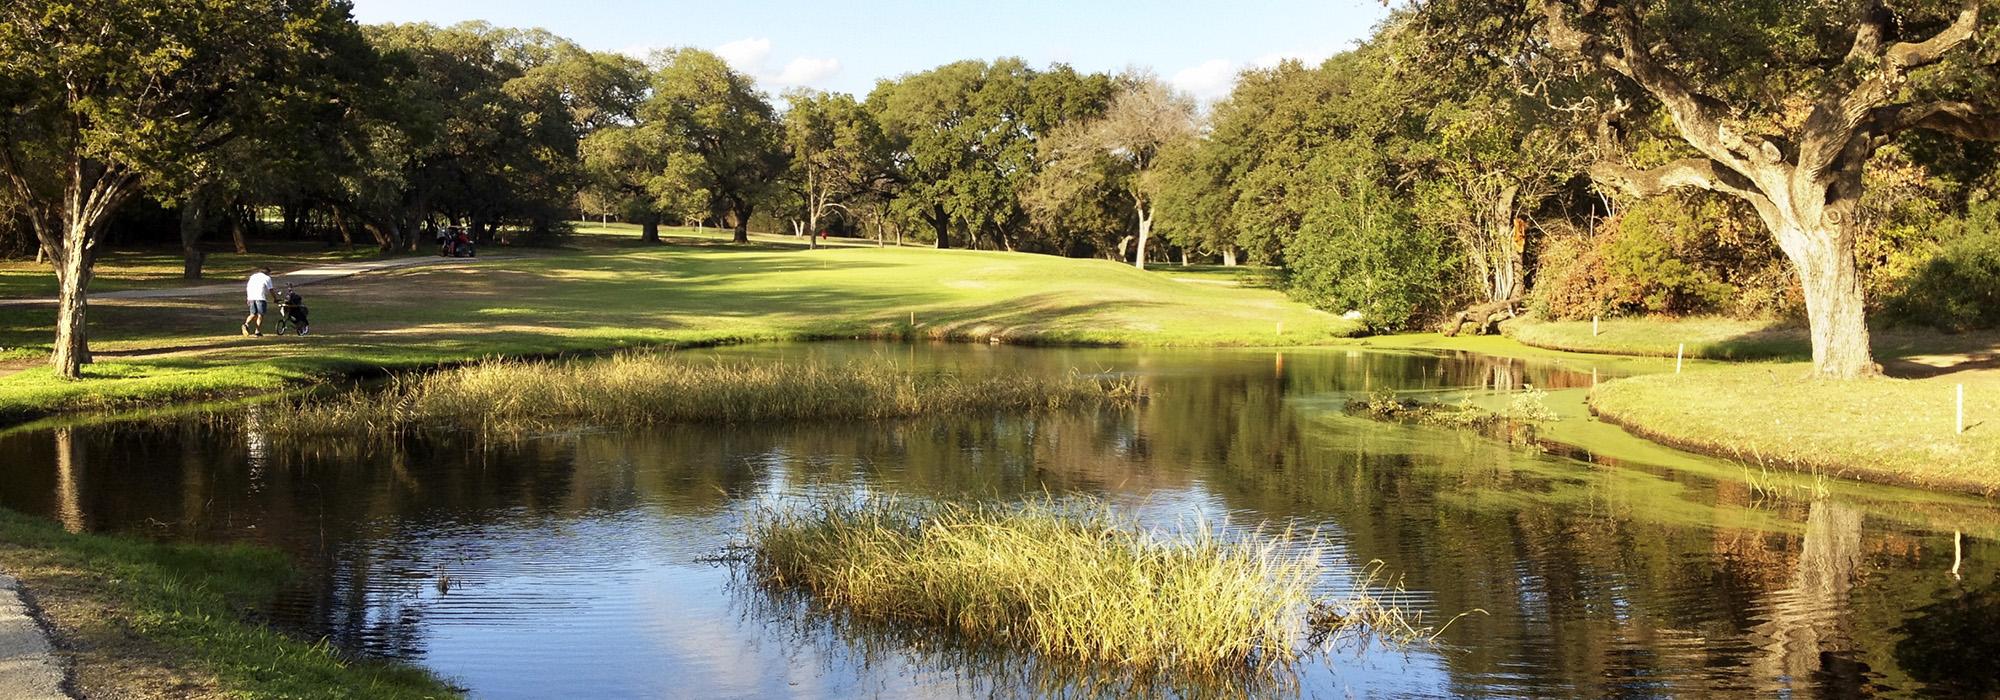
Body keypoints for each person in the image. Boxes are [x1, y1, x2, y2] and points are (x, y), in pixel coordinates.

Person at [242, 266, 276, 337]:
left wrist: (248, 298)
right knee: (260, 315)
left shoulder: (253, 276)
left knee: (253, 314)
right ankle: (257, 331)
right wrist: (275, 298)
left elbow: (248, 287)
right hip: (260, 298)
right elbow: (271, 289)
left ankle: (246, 324)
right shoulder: (267, 278)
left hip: (251, 297)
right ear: (267, 272)